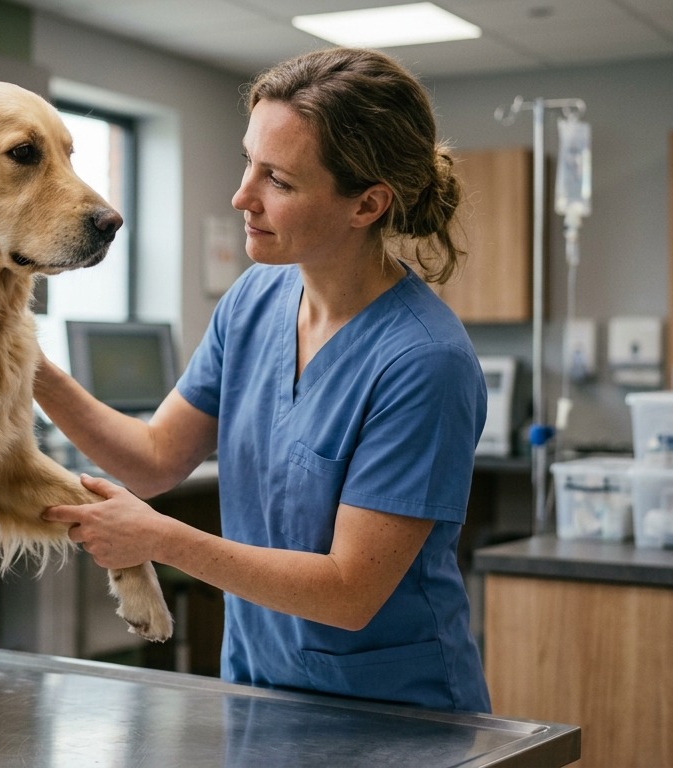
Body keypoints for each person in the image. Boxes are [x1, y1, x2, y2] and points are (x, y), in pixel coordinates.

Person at [36, 47, 490, 713]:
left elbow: (348, 590)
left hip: (396, 714)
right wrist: (27, 367)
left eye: (278, 179)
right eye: (249, 161)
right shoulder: (256, 300)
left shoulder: (423, 363)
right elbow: (156, 459)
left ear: (366, 204)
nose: (241, 195)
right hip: (260, 691)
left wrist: (159, 538)